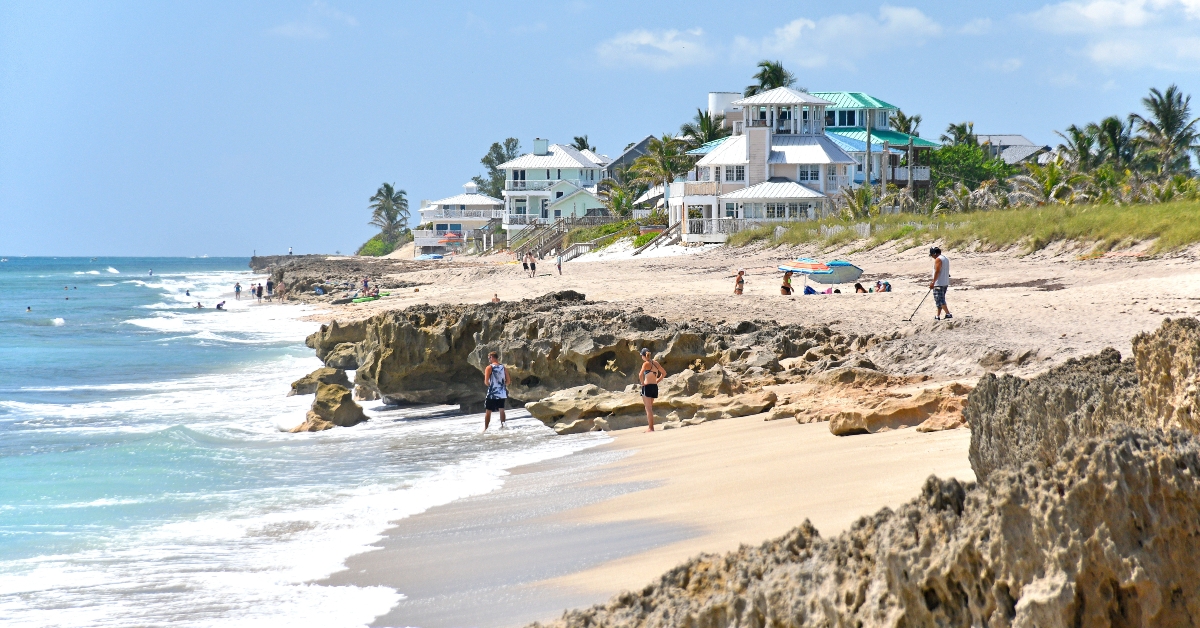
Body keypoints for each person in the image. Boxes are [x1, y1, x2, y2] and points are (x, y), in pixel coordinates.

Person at [638, 348, 666, 432]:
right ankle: (650, 427)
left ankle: (651, 428)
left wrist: (642, 383)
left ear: (643, 356)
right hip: (654, 387)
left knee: (648, 408)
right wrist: (657, 380)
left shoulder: (645, 364)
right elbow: (664, 373)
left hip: (647, 387)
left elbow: (640, 375)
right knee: (650, 408)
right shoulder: (655, 363)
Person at [482, 351, 511, 431]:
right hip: (502, 392)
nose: (489, 360)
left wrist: (492, 385)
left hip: (492, 393)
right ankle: (503, 426)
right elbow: (508, 381)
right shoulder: (503, 367)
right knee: (501, 409)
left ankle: (486, 428)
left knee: (488, 411)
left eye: (489, 358)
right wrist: (501, 385)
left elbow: (486, 382)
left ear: (491, 357)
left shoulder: (489, 367)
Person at [929, 246, 952, 320]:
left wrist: (933, 282)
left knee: (940, 299)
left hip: (939, 283)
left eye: (932, 255)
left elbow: (937, 271)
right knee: (939, 300)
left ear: (934, 253)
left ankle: (948, 314)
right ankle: (937, 316)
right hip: (945, 282)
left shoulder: (938, 259)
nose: (932, 257)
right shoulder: (945, 258)